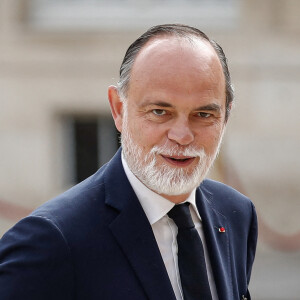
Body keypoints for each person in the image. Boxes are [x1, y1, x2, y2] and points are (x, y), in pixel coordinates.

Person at [0, 24, 257, 300]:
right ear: (118, 109)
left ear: (226, 117)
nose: (182, 136)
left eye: (204, 115)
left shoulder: (236, 215)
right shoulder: (51, 240)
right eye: (160, 111)